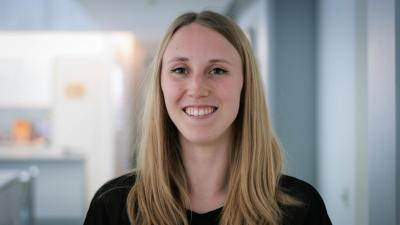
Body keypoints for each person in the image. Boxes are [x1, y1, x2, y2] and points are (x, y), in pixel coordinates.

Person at [83, 11, 332, 225]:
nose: (197, 88)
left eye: (217, 70)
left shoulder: (301, 209)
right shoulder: (112, 207)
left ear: (245, 85)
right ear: (160, 85)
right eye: (180, 70)